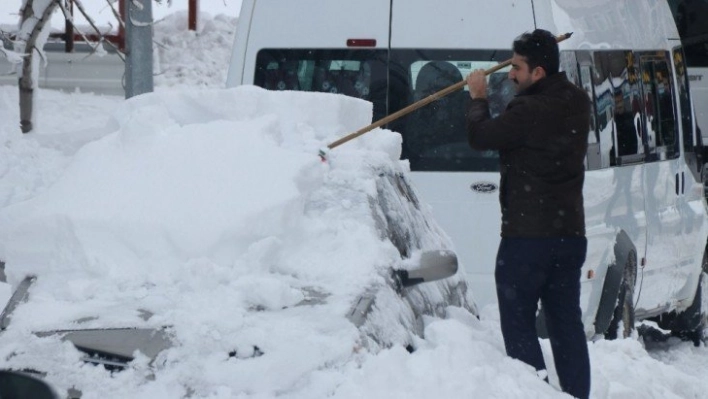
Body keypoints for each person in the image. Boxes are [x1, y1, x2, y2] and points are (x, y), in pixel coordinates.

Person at [465, 29, 591, 399]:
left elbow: (481, 137)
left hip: (527, 239)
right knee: (566, 323)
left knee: (518, 322)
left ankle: (534, 392)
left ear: (538, 73)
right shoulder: (577, 101)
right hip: (569, 235)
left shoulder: (529, 110)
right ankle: (576, 394)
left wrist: (477, 97)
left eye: (517, 68)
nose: (510, 74)